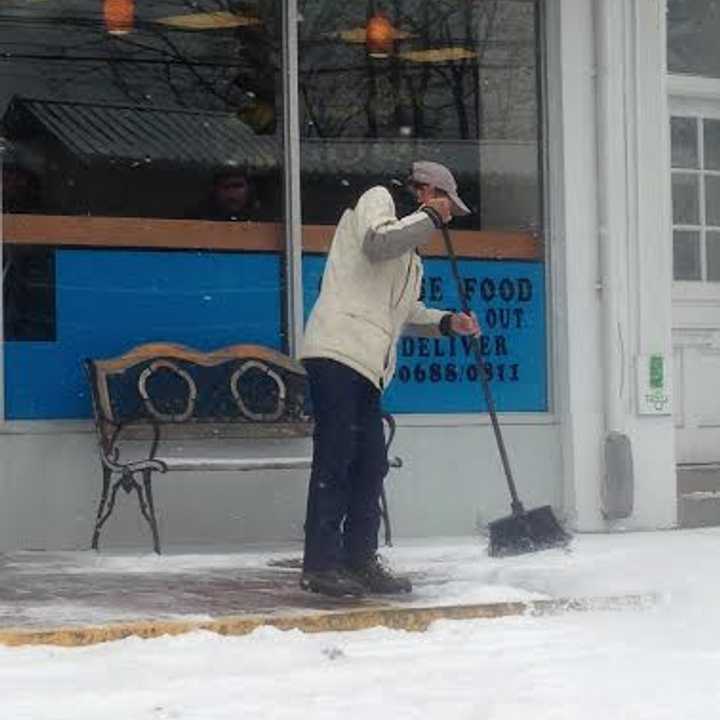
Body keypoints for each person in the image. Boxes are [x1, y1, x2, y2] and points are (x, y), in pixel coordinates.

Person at [299, 161, 481, 598]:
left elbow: (406, 312)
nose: (445, 217)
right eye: (443, 204)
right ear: (426, 191)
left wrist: (446, 321)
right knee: (338, 456)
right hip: (338, 348)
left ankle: (359, 558)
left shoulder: (412, 258)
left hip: (370, 364)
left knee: (371, 463)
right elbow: (378, 243)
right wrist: (432, 217)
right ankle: (321, 564)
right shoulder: (377, 199)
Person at [189, 166, 260, 221]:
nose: (232, 192)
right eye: (226, 187)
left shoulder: (262, 219)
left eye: (237, 186)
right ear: (215, 190)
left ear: (249, 189)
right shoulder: (199, 218)